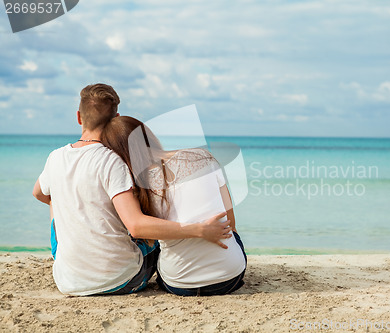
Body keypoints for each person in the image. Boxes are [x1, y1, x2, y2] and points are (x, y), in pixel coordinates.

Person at [32, 84, 232, 296]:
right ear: (116, 118)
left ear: (79, 117)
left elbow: (39, 193)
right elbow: (136, 226)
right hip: (121, 280)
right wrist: (198, 229)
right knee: (150, 238)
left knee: (54, 199)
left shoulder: (55, 157)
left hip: (67, 281)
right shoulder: (113, 161)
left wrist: (74, 210)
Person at [101, 116, 247, 296]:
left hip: (180, 284)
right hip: (229, 278)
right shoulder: (202, 157)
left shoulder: (138, 185)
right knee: (234, 238)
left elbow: (142, 233)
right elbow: (230, 223)